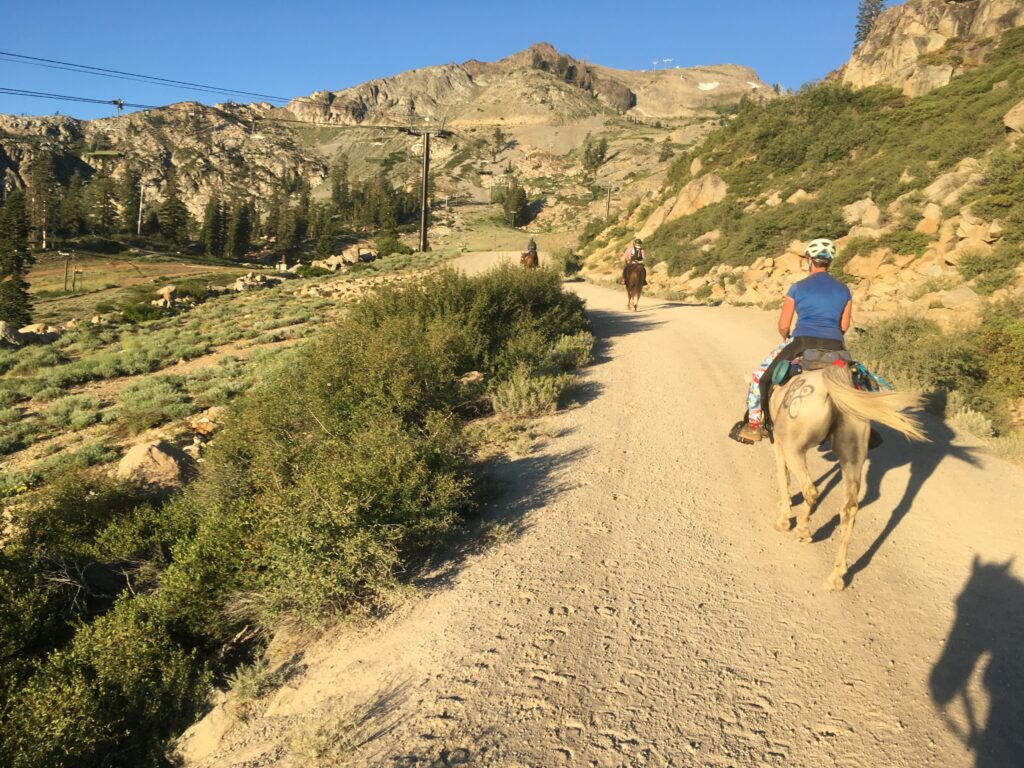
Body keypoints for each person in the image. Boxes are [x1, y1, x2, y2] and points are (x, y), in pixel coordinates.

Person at [729, 238, 853, 444]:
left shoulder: (797, 287)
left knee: (760, 377)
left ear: (809, 260)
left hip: (802, 342)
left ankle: (754, 426)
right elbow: (844, 327)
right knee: (860, 381)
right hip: (836, 345)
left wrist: (786, 337)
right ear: (830, 262)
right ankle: (866, 429)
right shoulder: (844, 290)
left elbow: (784, 325)